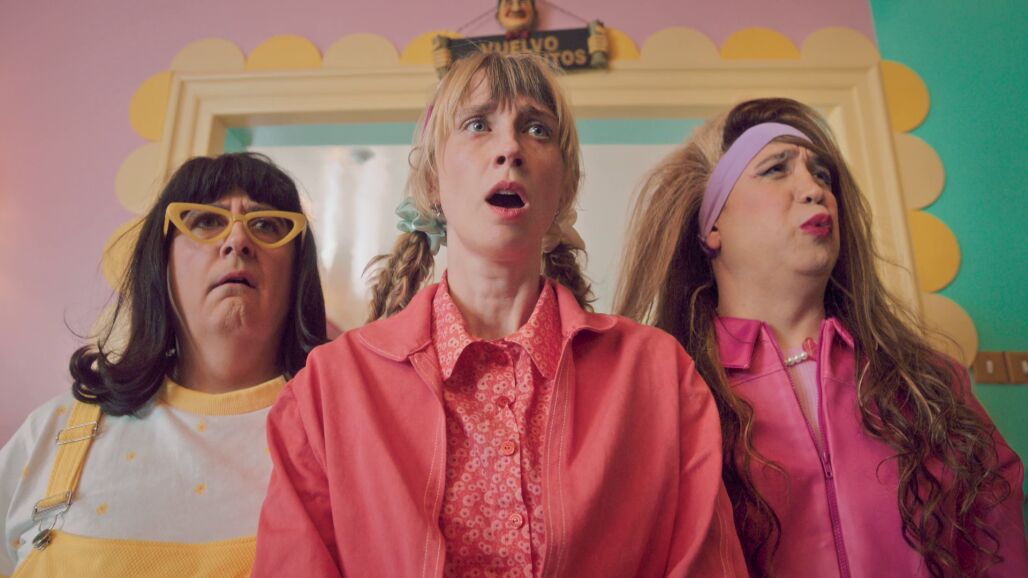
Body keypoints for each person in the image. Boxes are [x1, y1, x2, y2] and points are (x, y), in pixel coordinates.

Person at [253, 52, 746, 577]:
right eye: (477, 125)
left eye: (537, 129)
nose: (510, 148)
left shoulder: (659, 375)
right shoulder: (328, 390)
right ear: (432, 180)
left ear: (565, 187)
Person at [615, 97, 1028, 577]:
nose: (814, 189)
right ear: (712, 227)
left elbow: (998, 546)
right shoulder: (669, 398)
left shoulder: (930, 384)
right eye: (776, 169)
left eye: (822, 175)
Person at [0, 152, 327, 577]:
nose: (238, 241)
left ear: (298, 270)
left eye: (266, 225)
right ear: (162, 260)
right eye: (206, 221)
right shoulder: (52, 431)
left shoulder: (333, 436)